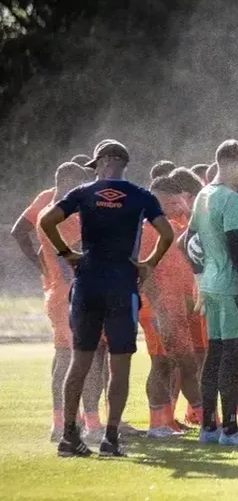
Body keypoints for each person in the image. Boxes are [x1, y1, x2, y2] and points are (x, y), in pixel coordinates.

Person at [40, 140, 174, 457]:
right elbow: (167, 234)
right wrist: (149, 264)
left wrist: (67, 254)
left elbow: (47, 221)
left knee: (80, 361)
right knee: (120, 364)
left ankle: (69, 437)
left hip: (87, 284)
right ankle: (110, 439)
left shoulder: (83, 193)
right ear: (123, 166)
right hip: (122, 286)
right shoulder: (142, 196)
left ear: (100, 163)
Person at [183, 139, 238, 446]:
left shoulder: (204, 194)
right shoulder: (231, 198)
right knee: (234, 356)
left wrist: (200, 277)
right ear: (231, 163)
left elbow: (188, 240)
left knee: (215, 355)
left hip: (212, 286)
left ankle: (209, 428)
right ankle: (230, 430)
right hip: (231, 287)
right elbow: (235, 244)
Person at [36, 162, 107, 442]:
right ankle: (91, 423)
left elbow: (46, 253)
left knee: (65, 359)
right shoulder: (67, 217)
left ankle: (60, 423)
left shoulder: (47, 213)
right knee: (83, 362)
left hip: (59, 293)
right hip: (73, 294)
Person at [139, 177, 204, 437]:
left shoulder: (177, 226)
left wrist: (187, 212)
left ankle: (167, 421)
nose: (181, 205)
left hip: (177, 305)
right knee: (161, 362)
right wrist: (156, 308)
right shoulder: (146, 230)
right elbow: (145, 271)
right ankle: (158, 423)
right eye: (175, 201)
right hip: (157, 307)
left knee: (172, 364)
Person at [167, 167, 208, 426]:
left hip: (194, 297)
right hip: (174, 300)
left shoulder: (188, 220)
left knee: (199, 356)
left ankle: (194, 412)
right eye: (191, 197)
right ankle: (164, 416)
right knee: (171, 362)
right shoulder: (167, 222)